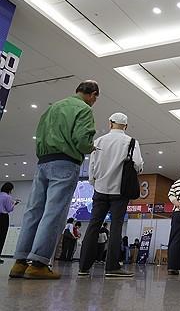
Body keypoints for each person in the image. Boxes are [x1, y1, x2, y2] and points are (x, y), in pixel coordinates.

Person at [10, 80, 98, 280]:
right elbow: (82, 141)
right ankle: (39, 264)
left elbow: (39, 134)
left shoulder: (54, 107)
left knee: (33, 211)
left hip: (43, 162)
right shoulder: (84, 109)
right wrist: (90, 147)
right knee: (54, 213)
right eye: (94, 98)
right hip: (65, 163)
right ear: (92, 95)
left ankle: (20, 262)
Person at [79, 112, 144, 278]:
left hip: (100, 189)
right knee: (116, 226)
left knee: (94, 225)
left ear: (110, 123)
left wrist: (94, 182)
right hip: (119, 190)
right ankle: (112, 267)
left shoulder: (99, 141)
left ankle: (84, 266)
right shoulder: (131, 142)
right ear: (126, 126)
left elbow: (91, 166)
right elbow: (138, 165)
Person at [0, 182, 20, 264]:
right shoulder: (7, 197)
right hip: (3, 218)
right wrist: (14, 203)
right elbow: (9, 209)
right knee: (2, 237)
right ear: (9, 189)